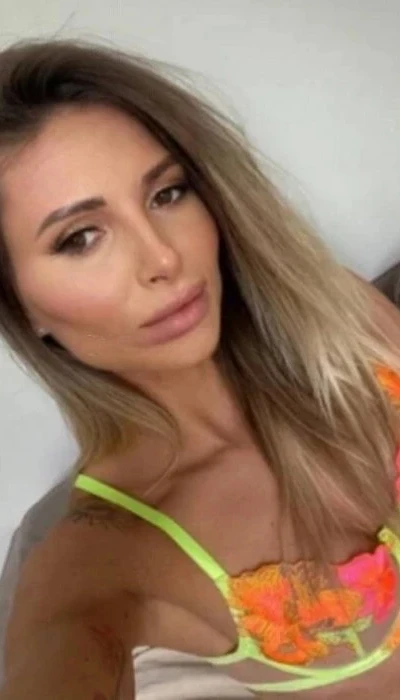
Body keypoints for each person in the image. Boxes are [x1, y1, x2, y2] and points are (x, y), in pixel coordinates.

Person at [0, 38, 400, 700]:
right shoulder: (102, 555)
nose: (163, 257)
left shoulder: (334, 313)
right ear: (22, 306)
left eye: (167, 193)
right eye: (80, 238)